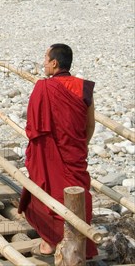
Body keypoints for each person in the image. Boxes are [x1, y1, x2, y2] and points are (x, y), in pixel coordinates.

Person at [18, 43, 98, 259]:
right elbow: (89, 126)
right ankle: (76, 244)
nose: (43, 63)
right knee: (79, 196)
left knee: (46, 189)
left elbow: (33, 129)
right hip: (75, 155)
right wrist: (79, 146)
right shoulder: (83, 88)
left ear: (54, 63)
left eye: (45, 58)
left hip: (50, 155)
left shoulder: (43, 88)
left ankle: (48, 243)